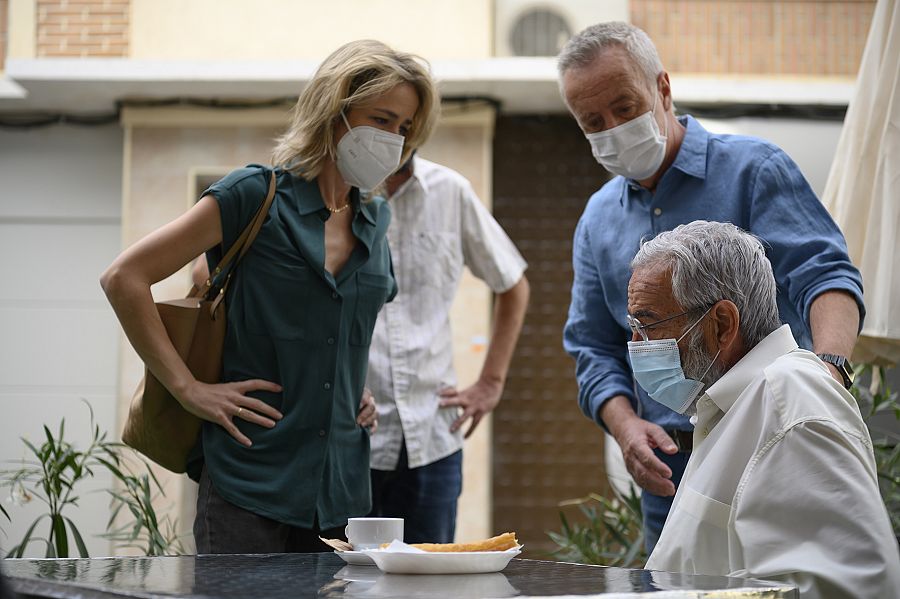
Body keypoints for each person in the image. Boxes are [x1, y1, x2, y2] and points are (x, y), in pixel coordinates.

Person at [100, 39, 439, 554]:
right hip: (248, 483)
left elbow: (344, 327)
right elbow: (124, 278)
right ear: (335, 112)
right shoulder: (254, 196)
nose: (394, 139)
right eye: (382, 119)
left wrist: (354, 389)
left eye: (405, 128)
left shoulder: (377, 219)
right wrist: (188, 388)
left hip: (339, 493)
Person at [558, 22, 865, 552]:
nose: (612, 128)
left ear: (663, 88)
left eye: (626, 107)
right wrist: (626, 426)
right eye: (593, 121)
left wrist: (829, 371)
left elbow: (826, 276)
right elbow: (593, 346)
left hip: (771, 445)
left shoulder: (753, 170)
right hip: (670, 471)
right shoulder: (597, 219)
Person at [629, 221, 900, 598]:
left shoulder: (791, 406)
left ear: (722, 324)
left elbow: (843, 588)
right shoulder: (735, 406)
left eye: (647, 326)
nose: (636, 345)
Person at [365, 152, 529, 543]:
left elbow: (512, 284)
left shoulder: (450, 191)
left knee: (431, 580)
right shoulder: (335, 191)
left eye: (407, 121)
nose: (396, 133)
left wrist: (491, 381)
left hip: (432, 435)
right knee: (346, 582)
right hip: (350, 438)